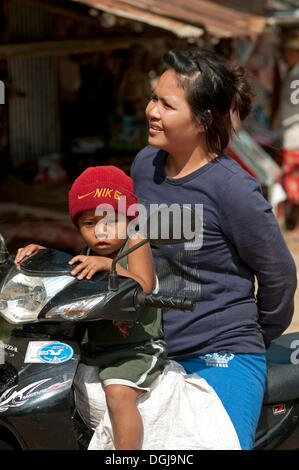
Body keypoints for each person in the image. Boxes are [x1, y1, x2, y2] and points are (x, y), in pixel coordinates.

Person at [130, 48, 297, 450]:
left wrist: (250, 335)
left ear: (203, 120)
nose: (152, 110)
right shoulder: (144, 166)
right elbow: (136, 247)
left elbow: (279, 275)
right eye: (154, 98)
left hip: (222, 359)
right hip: (154, 350)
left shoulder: (233, 188)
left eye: (167, 104)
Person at [14, 165, 168, 450]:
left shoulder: (136, 243)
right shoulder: (89, 254)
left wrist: (109, 266)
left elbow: (144, 285)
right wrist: (40, 253)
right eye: (88, 224)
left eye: (109, 221)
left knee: (119, 395)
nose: (100, 231)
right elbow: (65, 275)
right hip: (97, 349)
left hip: (136, 349)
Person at [278, 32, 299, 238]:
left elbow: (293, 108)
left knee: (294, 181)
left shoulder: (296, 77)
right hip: (293, 135)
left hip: (295, 137)